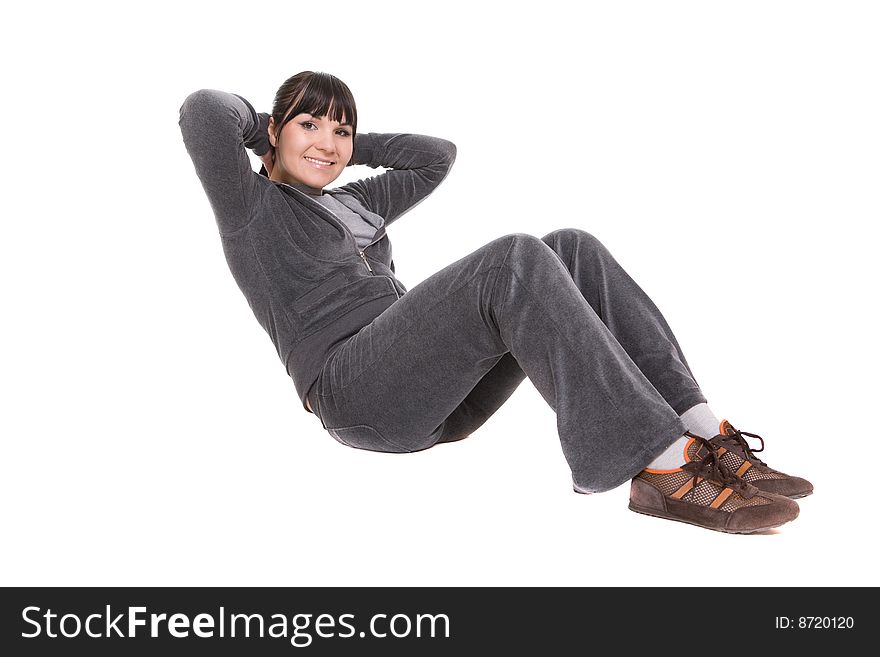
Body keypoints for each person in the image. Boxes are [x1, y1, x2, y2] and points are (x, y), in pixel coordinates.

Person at [178, 71, 812, 534]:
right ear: (270, 132)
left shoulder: (356, 205)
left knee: (568, 246)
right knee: (512, 257)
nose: (329, 143)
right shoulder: (250, 206)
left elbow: (435, 159)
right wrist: (280, 124)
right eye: (309, 125)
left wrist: (339, 142)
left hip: (433, 393)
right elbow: (203, 108)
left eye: (341, 132)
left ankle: (702, 435)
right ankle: (661, 469)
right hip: (356, 392)